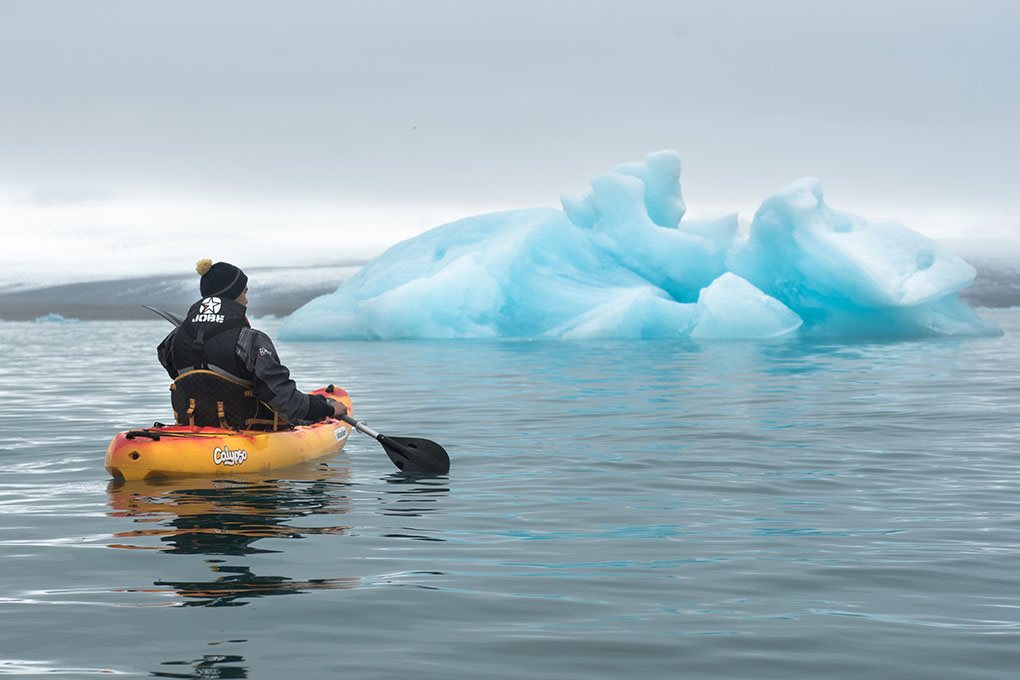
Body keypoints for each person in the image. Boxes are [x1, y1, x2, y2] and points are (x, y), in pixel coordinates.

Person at [157, 259, 345, 430]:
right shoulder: (250, 340)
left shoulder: (173, 340)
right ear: (232, 294)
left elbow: (180, 373)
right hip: (246, 428)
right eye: (244, 292)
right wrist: (325, 408)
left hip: (193, 423)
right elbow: (284, 399)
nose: (246, 300)